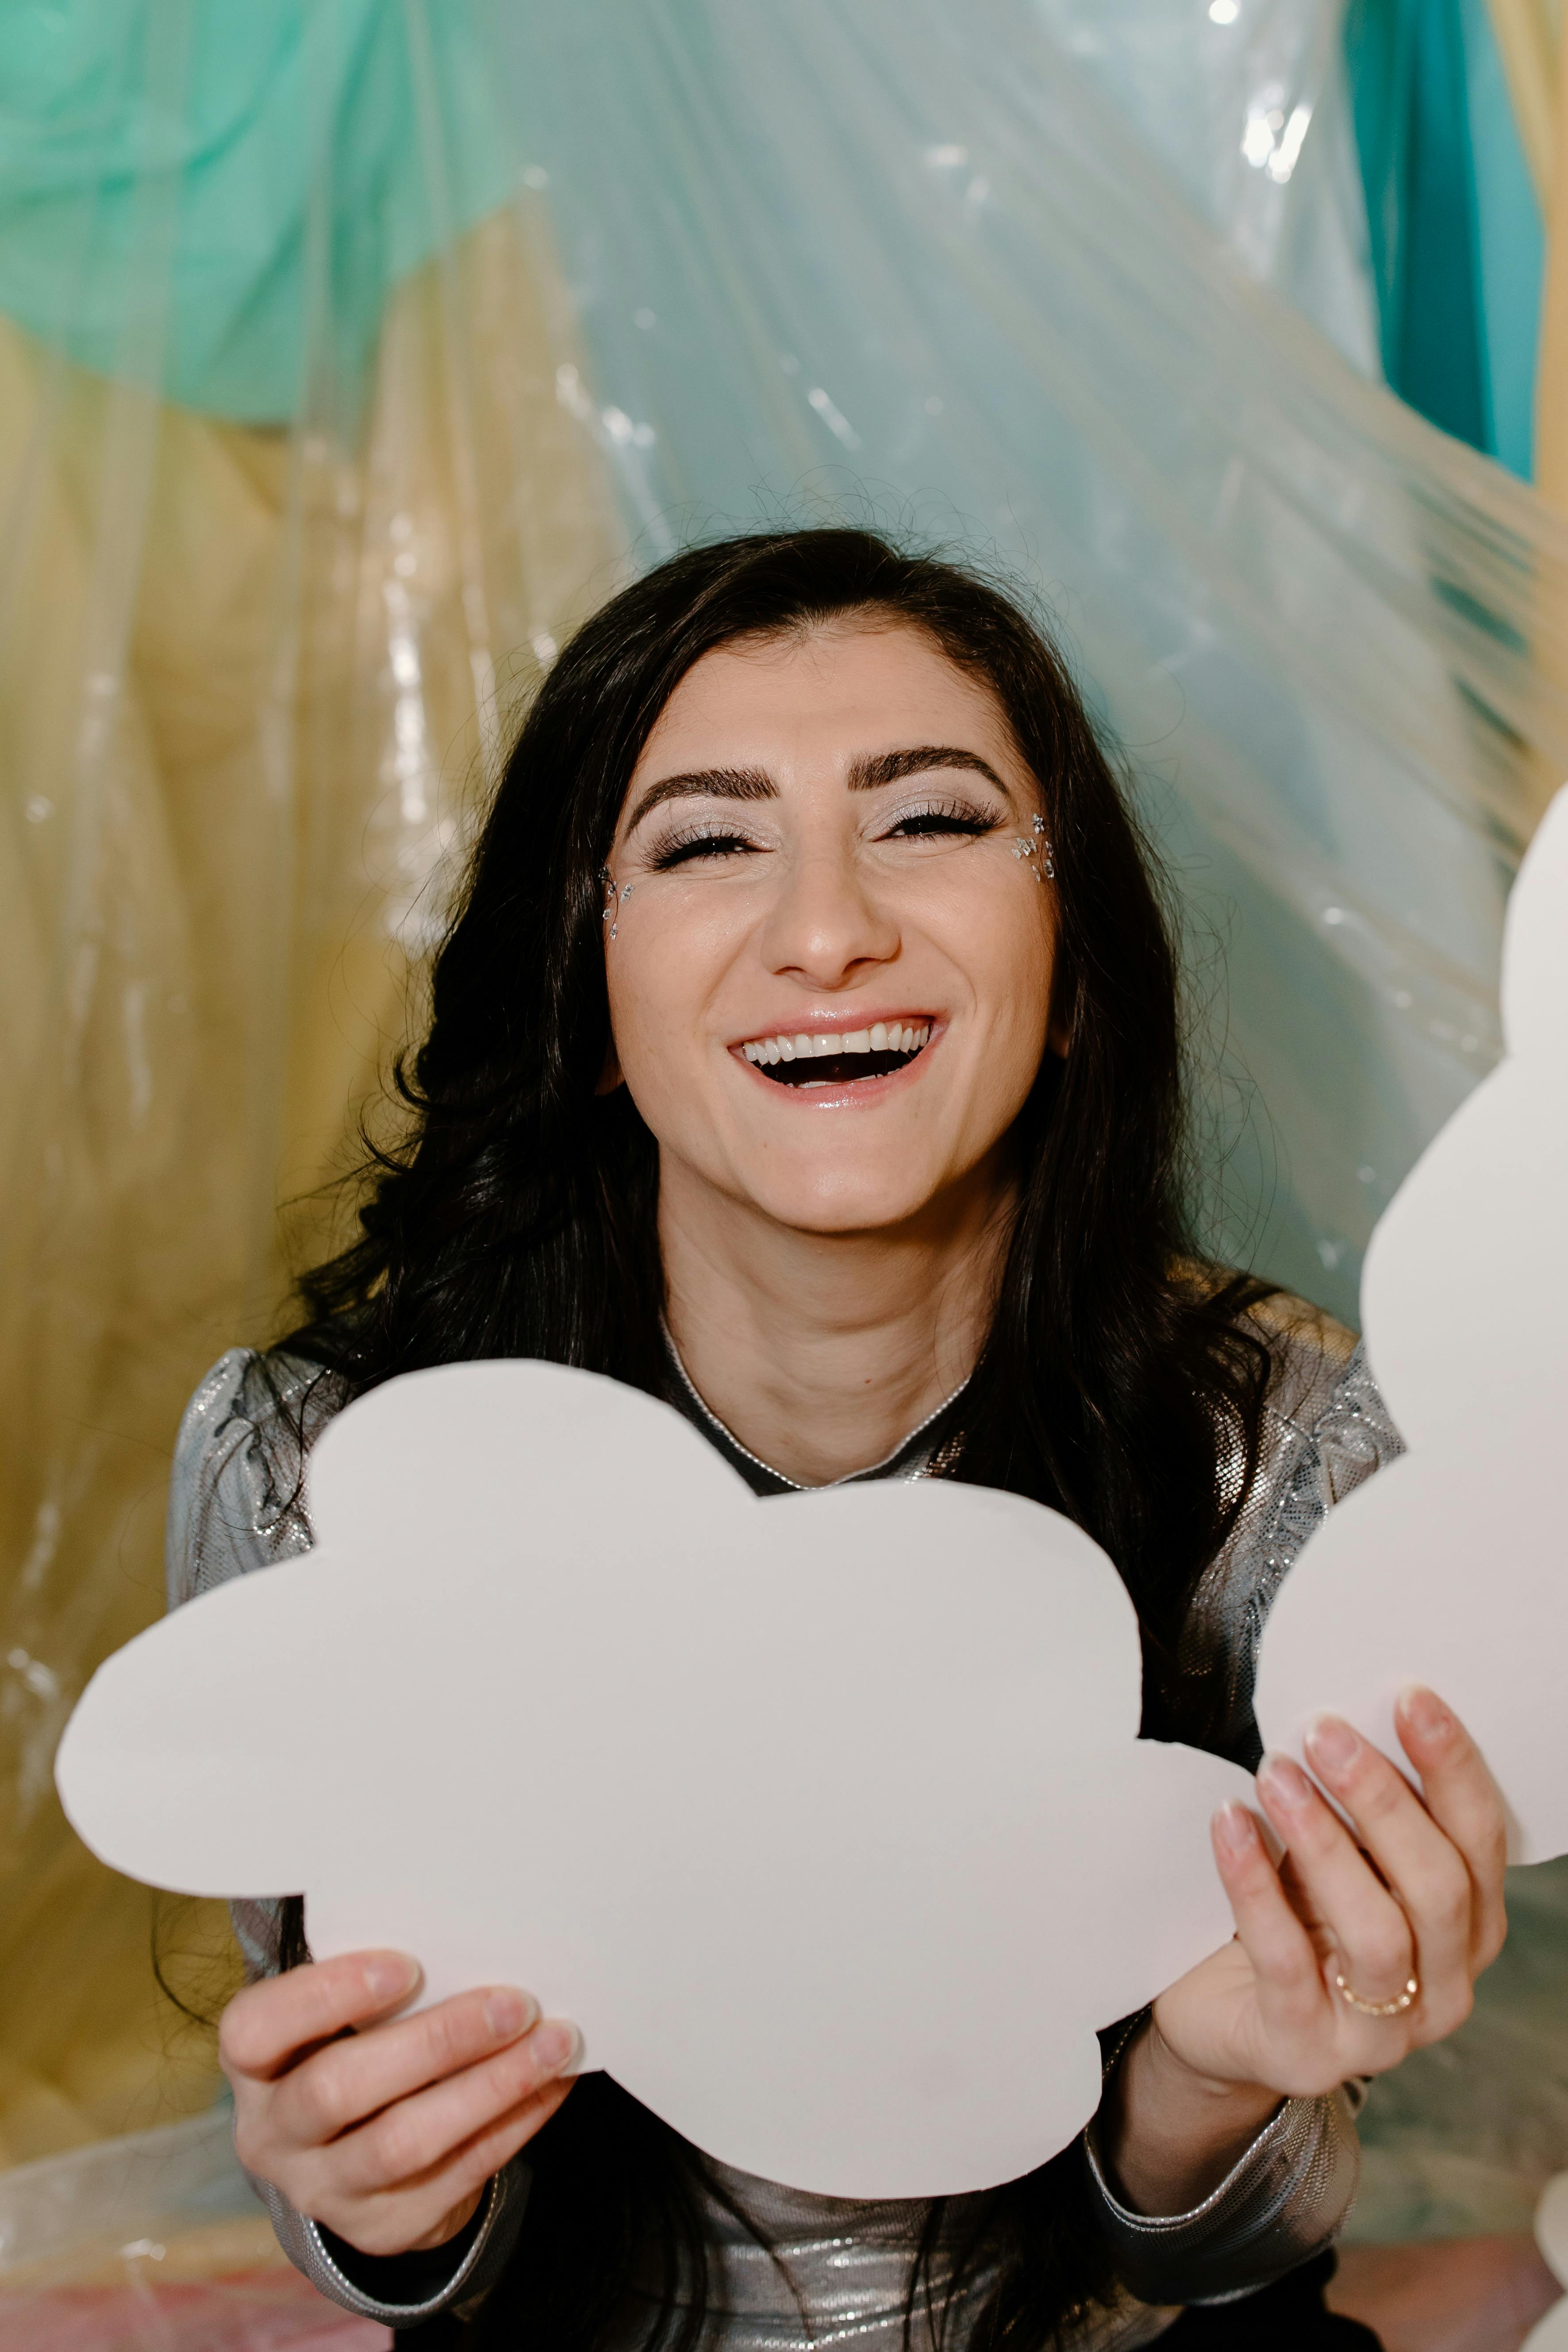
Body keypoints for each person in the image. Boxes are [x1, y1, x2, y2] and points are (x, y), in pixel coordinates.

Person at [168, 530, 1507, 2349]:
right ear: (587, 996)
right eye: (708, 840)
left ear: (1072, 963)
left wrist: (1208, 2081)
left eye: (932, 822)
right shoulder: (323, 1479)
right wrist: (379, 2202)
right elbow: (394, 2238)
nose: (826, 931)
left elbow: (1204, 2269)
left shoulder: (1282, 1456)